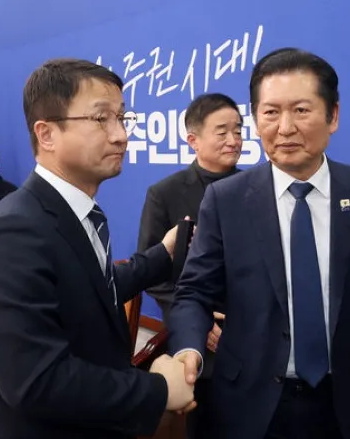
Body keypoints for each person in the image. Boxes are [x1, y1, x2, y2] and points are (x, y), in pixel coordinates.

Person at [168, 47, 350, 439]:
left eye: (301, 110)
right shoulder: (226, 199)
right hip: (247, 403)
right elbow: (194, 291)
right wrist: (188, 349)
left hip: (344, 403)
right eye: (271, 112)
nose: (285, 127)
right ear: (256, 119)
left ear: (333, 116)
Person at [0, 58, 193, 439]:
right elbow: (38, 381)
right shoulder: (11, 231)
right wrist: (159, 389)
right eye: (101, 119)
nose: (120, 135)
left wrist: (163, 255)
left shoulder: (76, 212)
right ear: (47, 134)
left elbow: (89, 288)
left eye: (122, 118)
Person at [137, 92, 243, 439]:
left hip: (251, 332)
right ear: (193, 140)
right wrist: (198, 322)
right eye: (222, 132)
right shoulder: (164, 193)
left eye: (238, 130)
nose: (233, 140)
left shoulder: (256, 187)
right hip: (199, 341)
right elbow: (153, 272)